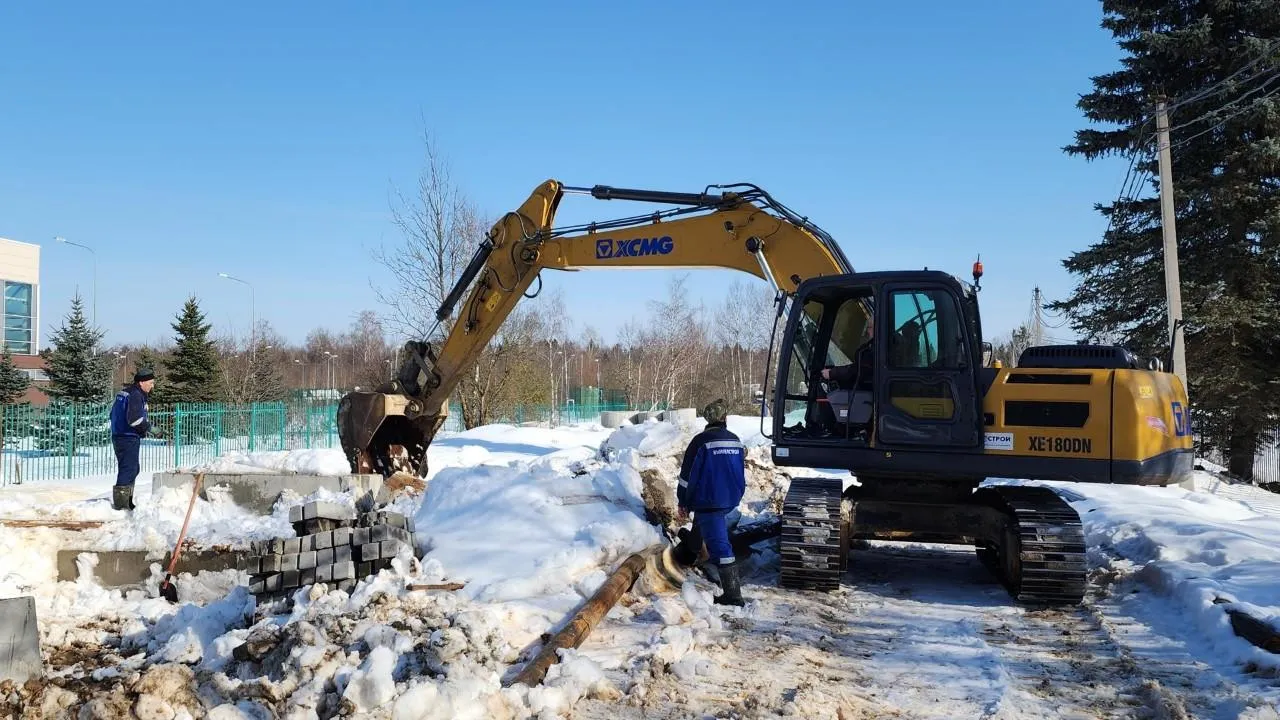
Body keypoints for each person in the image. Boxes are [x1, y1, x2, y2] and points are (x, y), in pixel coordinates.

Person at [675, 398, 748, 606]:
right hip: (730, 498)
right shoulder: (735, 439)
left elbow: (687, 478)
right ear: (724, 418)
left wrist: (683, 501)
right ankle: (693, 545)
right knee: (704, 522)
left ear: (707, 419)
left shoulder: (700, 442)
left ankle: (733, 595)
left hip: (709, 502)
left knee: (720, 547)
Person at [109, 367, 155, 510]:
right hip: (127, 437)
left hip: (119, 435)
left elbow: (112, 414)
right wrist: (150, 428)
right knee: (128, 469)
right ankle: (121, 506)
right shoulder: (135, 395)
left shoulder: (125, 392)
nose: (152, 386)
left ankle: (127, 502)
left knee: (132, 468)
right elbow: (134, 420)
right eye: (151, 382)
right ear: (141, 382)